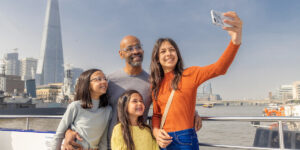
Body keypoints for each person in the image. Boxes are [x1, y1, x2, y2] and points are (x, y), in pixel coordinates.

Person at [62, 35, 202, 150]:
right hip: (109, 144)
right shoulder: (109, 81)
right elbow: (87, 107)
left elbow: (168, 104)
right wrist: (68, 130)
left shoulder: (153, 82)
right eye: (129, 49)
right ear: (121, 54)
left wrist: (193, 112)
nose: (135, 51)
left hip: (140, 144)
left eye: (138, 47)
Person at [150, 11, 243, 149]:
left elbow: (219, 68)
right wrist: (156, 132)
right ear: (157, 58)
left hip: (185, 139)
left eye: (172, 50)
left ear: (177, 54)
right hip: (164, 141)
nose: (169, 53)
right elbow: (157, 114)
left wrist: (235, 41)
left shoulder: (191, 74)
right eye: (163, 51)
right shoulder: (156, 85)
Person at [52, 69, 112, 150]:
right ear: (87, 84)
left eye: (105, 79)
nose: (104, 81)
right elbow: (59, 135)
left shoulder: (108, 110)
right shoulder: (75, 106)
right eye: (98, 79)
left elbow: (103, 141)